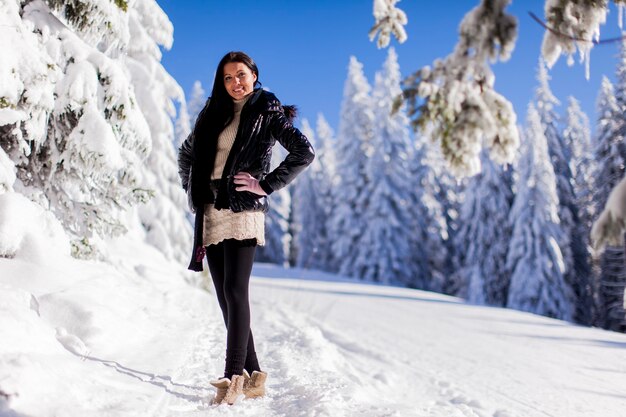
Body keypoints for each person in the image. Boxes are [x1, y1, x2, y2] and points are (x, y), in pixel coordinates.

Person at [177, 51, 314, 405]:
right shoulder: (213, 113)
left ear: (254, 74)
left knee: (236, 290)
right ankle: (254, 376)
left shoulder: (266, 109)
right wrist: (192, 186)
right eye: (228, 77)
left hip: (242, 209)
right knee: (224, 294)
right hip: (211, 208)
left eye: (241, 74)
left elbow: (303, 152)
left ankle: (233, 374)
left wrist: (265, 184)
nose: (235, 82)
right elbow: (187, 154)